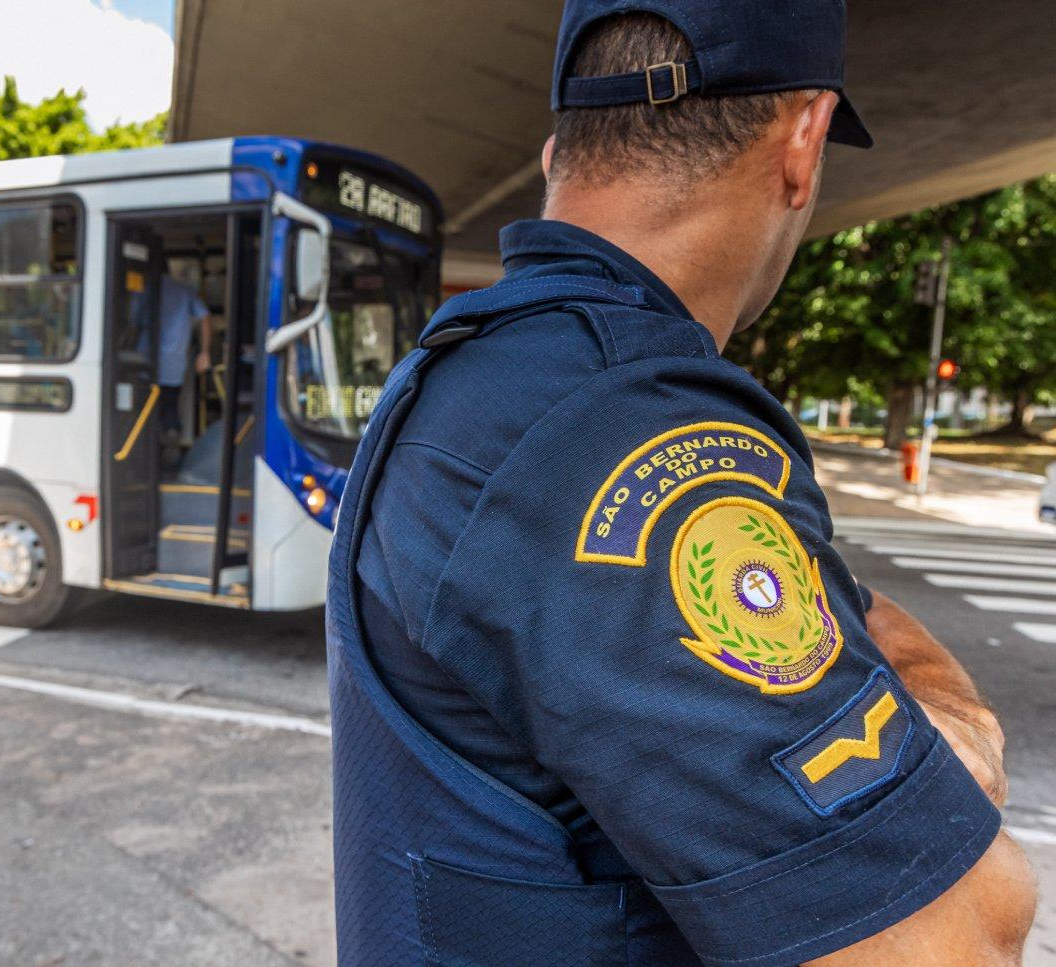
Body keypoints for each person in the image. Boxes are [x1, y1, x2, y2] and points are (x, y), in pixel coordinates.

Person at [325, 2, 1037, 965]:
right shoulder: (615, 426)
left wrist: (927, 694)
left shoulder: (485, 380)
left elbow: (845, 604)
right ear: (805, 140)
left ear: (558, 155)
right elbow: (964, 931)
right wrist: (954, 727)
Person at [155, 269, 213, 442]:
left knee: (149, 409)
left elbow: (134, 322)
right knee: (170, 405)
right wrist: (205, 352)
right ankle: (171, 436)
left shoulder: (146, 289)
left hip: (147, 362)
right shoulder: (185, 290)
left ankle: (159, 442)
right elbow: (205, 317)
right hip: (175, 361)